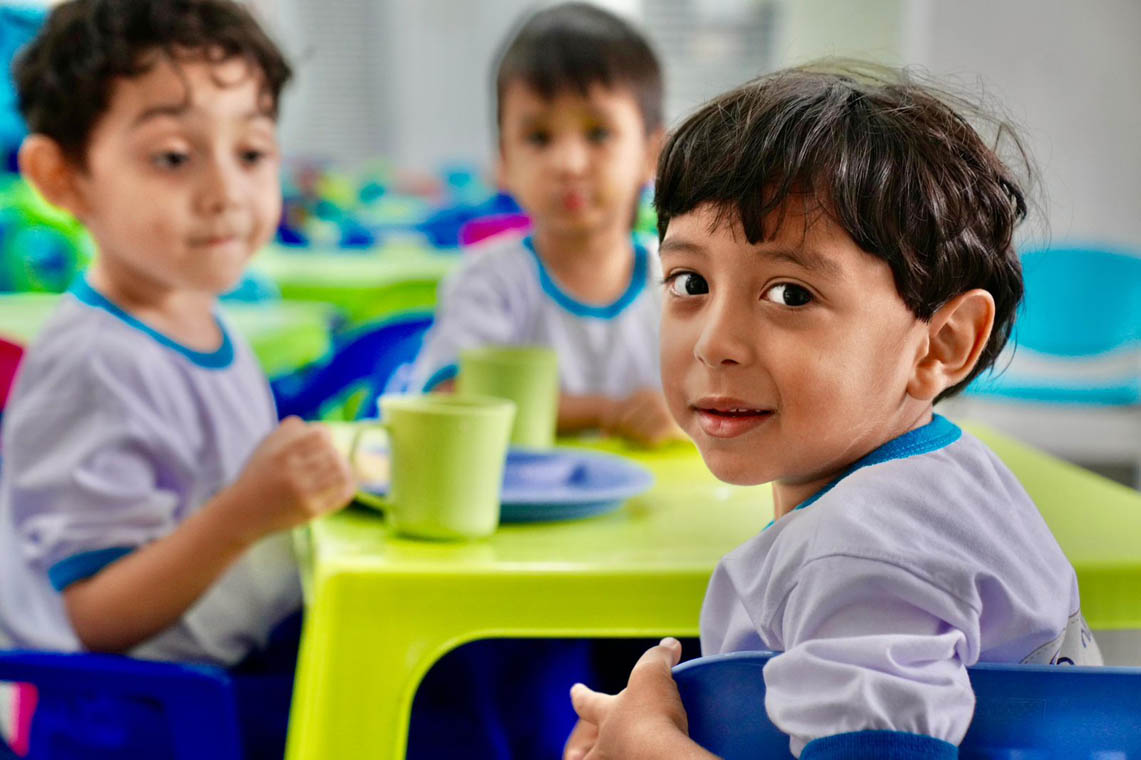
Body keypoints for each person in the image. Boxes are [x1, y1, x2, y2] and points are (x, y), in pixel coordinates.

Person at [565, 62, 1102, 760]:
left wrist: (648, 748)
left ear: (941, 343)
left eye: (789, 294)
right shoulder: (939, 479)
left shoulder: (866, 551)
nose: (714, 343)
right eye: (689, 282)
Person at [0, 0, 353, 755]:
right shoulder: (92, 363)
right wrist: (246, 512)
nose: (226, 191)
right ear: (62, 176)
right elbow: (95, 616)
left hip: (224, 669)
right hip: (137, 717)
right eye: (172, 157)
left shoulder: (199, 312)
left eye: (251, 154)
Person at [409, 1, 682, 447]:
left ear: (651, 153)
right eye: (538, 137)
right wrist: (607, 412)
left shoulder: (676, 286)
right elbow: (447, 394)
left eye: (598, 133)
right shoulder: (489, 282)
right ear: (503, 162)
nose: (568, 163)